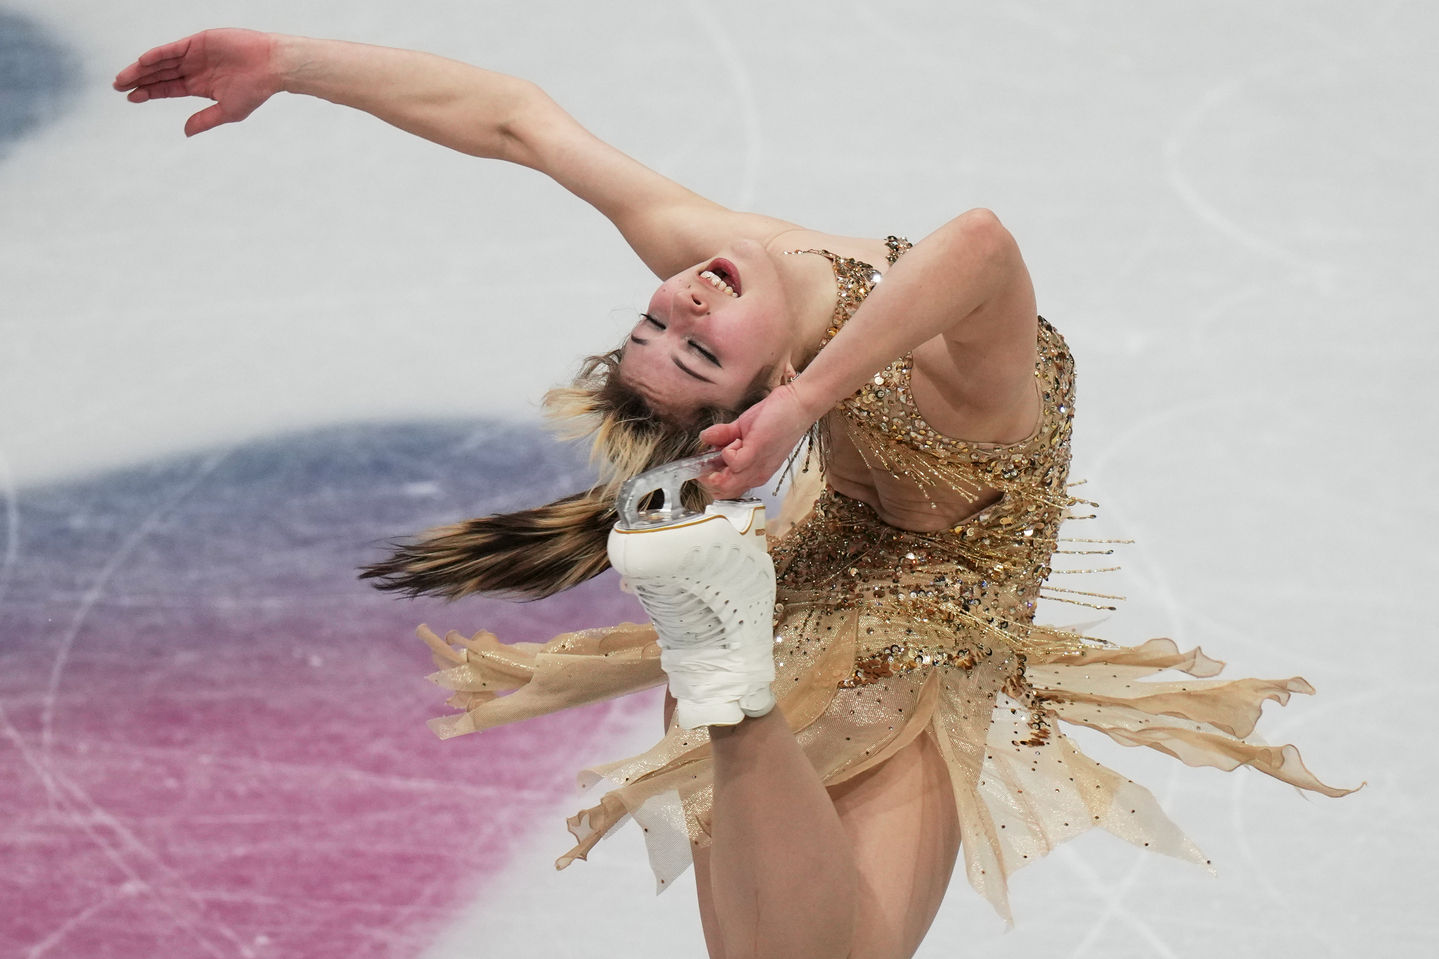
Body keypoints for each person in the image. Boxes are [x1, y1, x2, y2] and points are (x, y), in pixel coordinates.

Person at [115, 29, 1353, 959]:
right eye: (694, 342)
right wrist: (808, 405)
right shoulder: (948, 390)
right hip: (928, 627)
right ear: (761, 386)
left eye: (664, 318)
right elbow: (975, 247)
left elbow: (516, 122)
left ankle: (724, 671)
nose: (684, 297)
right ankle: (727, 676)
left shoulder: (745, 280)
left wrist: (288, 59)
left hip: (859, 580)